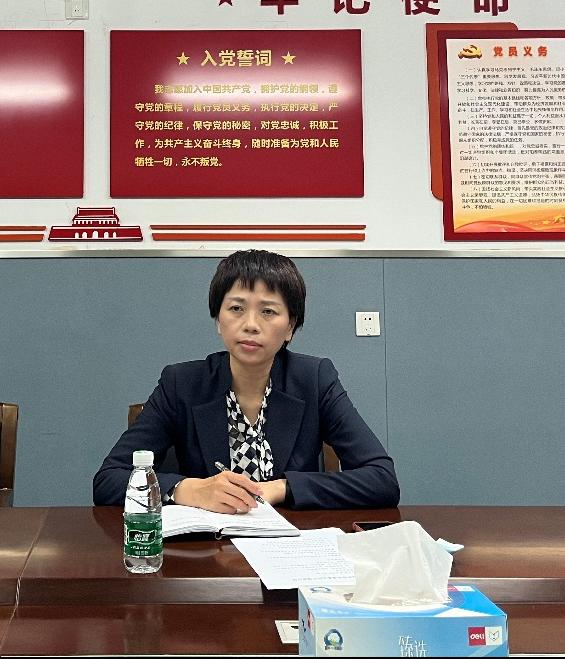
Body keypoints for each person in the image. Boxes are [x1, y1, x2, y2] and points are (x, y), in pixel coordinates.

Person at [93, 250, 400, 512]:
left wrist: (281, 488)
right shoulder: (181, 383)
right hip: (207, 551)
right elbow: (108, 479)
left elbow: (382, 479)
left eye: (268, 311)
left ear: (290, 327)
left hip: (289, 547)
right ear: (218, 319)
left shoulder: (315, 379)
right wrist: (187, 490)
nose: (251, 324)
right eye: (236, 308)